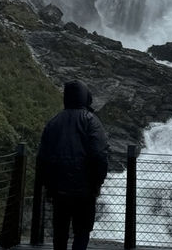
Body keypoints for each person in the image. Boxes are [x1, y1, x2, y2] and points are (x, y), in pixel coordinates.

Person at [38, 80, 109, 250]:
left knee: (60, 231)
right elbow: (99, 154)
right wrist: (97, 182)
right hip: (84, 191)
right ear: (86, 97)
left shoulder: (54, 122)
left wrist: (48, 185)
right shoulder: (91, 121)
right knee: (82, 231)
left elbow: (42, 157)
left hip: (59, 190)